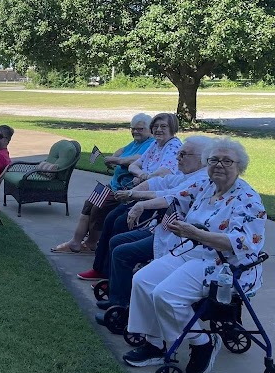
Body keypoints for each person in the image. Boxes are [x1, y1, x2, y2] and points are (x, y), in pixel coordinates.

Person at [121, 138, 265, 373]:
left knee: (165, 294)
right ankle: (155, 344)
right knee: (143, 279)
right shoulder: (207, 185)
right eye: (214, 160)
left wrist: (197, 233)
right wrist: (140, 204)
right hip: (193, 252)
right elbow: (174, 196)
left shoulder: (248, 199)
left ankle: (202, 341)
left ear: (240, 166)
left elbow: (243, 242)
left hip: (225, 267)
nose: (219, 165)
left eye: (227, 161)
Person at [93, 135, 213, 314]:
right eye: (178, 154)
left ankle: (123, 307)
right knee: (117, 240)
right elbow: (160, 182)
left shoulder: (200, 179)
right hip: (164, 231)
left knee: (121, 251)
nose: (177, 158)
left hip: (178, 240)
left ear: (202, 159)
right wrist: (134, 192)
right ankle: (118, 295)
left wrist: (138, 201)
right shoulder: (188, 174)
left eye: (183, 155)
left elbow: (171, 196)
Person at [76, 112, 182, 279]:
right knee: (111, 218)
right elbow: (134, 165)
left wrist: (144, 176)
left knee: (119, 223)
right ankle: (100, 268)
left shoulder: (173, 146)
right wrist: (142, 174)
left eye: (163, 126)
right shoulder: (156, 144)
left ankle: (111, 271)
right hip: (138, 192)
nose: (158, 130)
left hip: (153, 198)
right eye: (156, 126)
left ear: (173, 128)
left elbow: (165, 172)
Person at [50, 113, 154, 254]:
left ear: (150, 129)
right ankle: (75, 242)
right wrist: (114, 157)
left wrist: (115, 161)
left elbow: (135, 159)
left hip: (124, 189)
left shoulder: (151, 144)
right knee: (88, 205)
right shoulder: (136, 142)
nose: (135, 132)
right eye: (133, 128)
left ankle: (91, 243)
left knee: (98, 210)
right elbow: (122, 150)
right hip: (113, 185)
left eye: (140, 129)